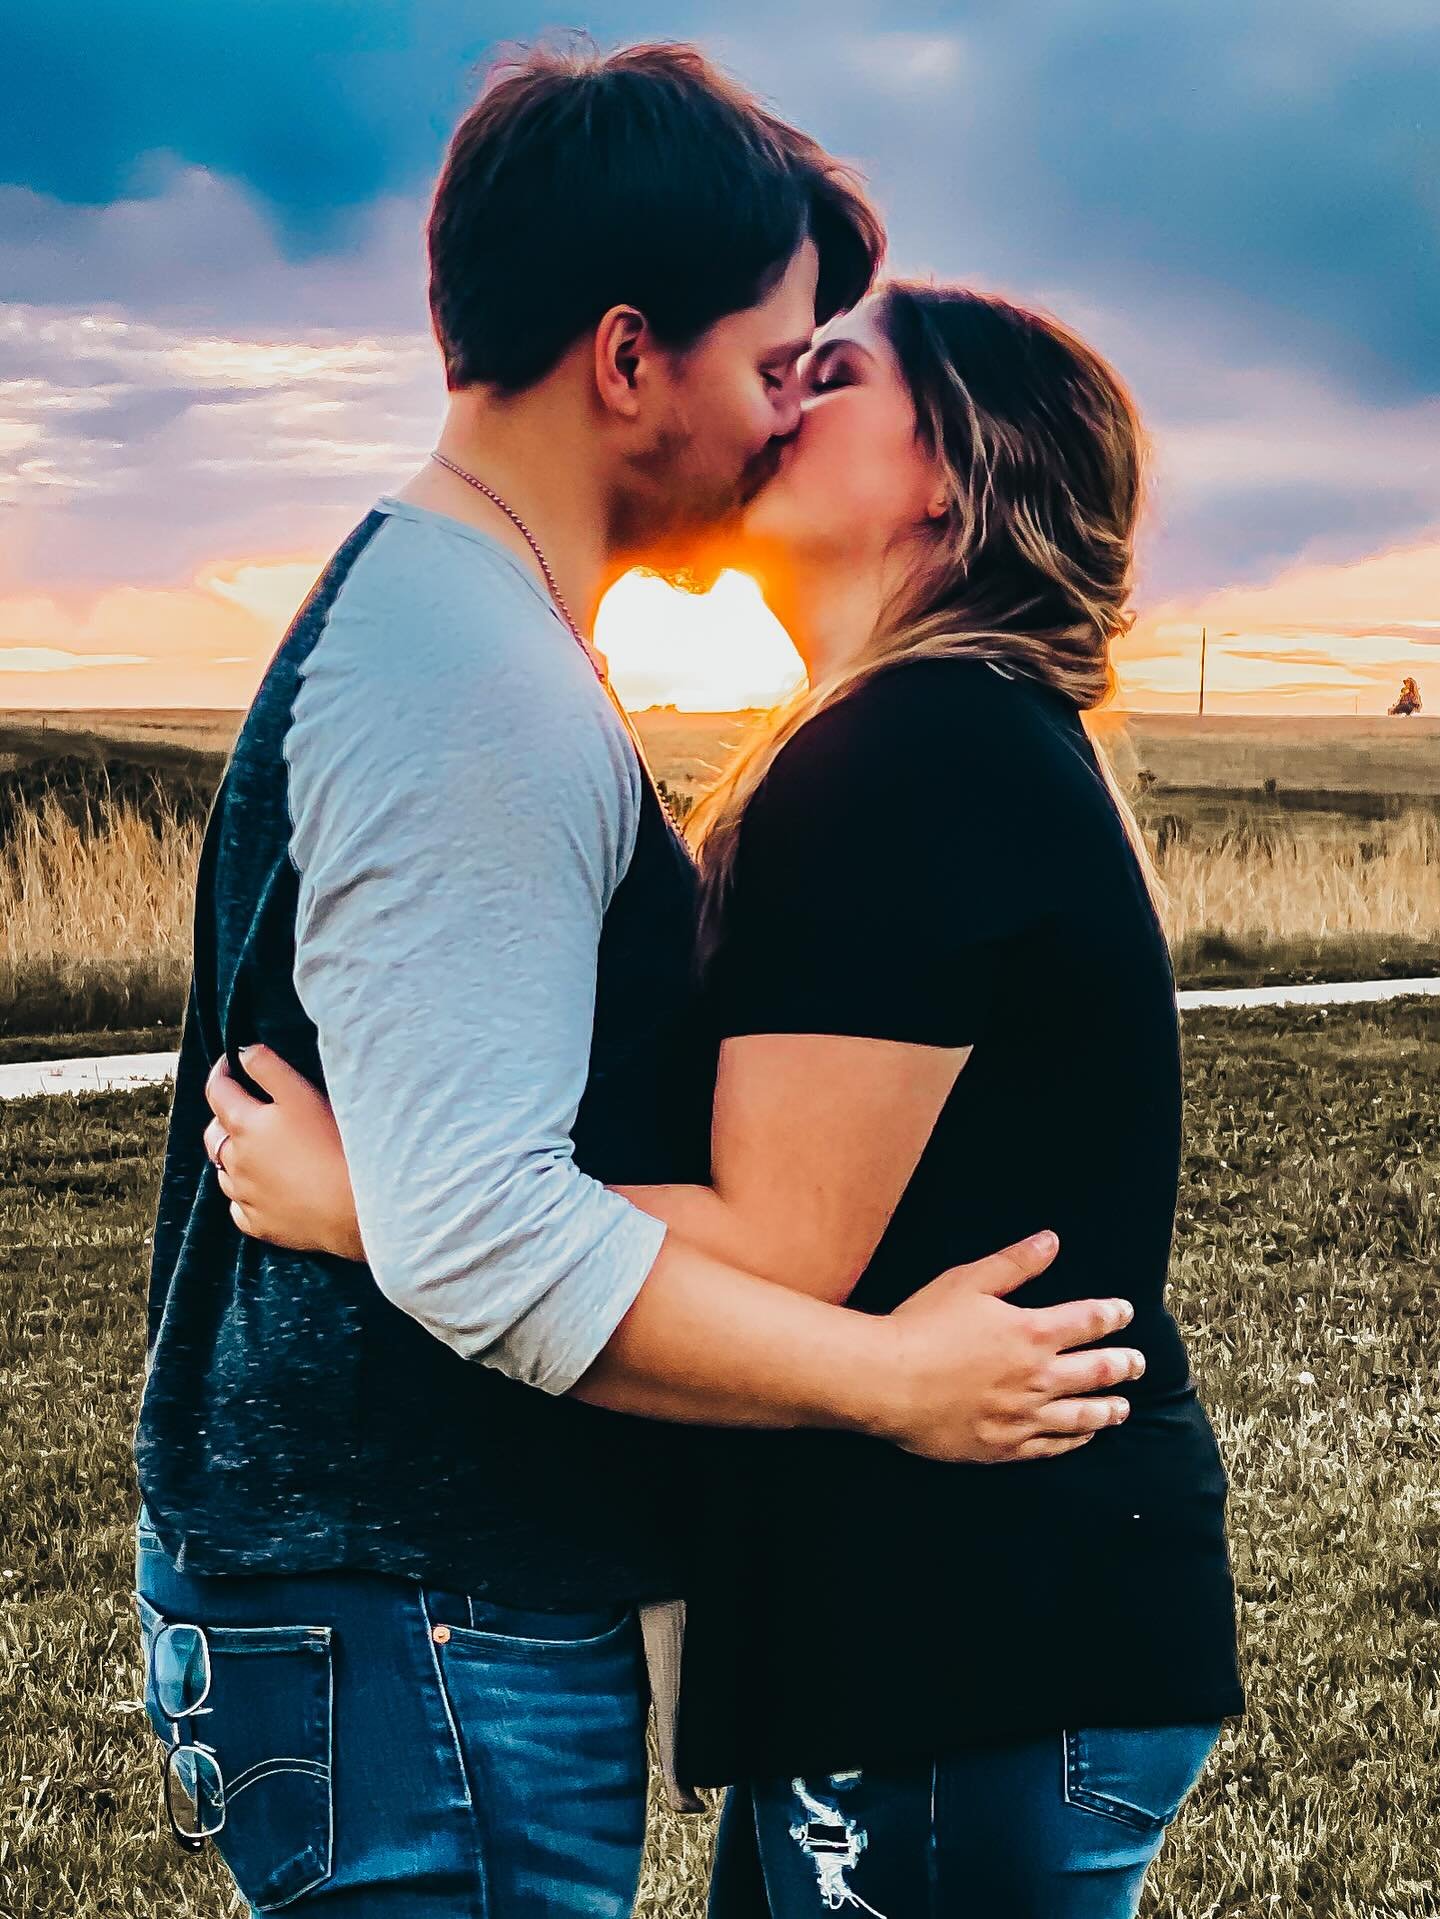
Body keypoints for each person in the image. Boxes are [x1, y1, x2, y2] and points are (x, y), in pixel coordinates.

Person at [135, 41, 1145, 1919]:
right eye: (777, 365)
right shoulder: (475, 684)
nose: (780, 419)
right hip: (417, 1614)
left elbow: (448, 1204)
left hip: (414, 1611)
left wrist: (393, 1205)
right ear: (624, 361)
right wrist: (888, 1385)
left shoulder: (476, 630)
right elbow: (479, 1231)